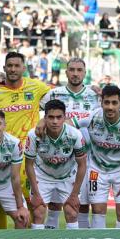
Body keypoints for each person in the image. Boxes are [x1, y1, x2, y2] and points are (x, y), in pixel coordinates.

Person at [0, 52, 52, 228]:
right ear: (4, 68)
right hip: (0, 156)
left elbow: (60, 100)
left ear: (24, 68)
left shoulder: (37, 86)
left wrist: (44, 119)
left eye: (17, 66)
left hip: (28, 157)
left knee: (34, 205)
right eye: (10, 66)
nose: (13, 69)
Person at [39, 57, 100, 228]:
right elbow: (36, 110)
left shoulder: (95, 95)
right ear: (66, 72)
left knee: (82, 204)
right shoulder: (54, 93)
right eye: (71, 70)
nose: (75, 73)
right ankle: (52, 237)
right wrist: (42, 120)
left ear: (85, 73)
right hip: (60, 157)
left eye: (79, 70)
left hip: (86, 157)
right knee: (54, 204)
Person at [75, 85, 120, 229]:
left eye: (114, 103)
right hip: (96, 169)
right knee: (98, 210)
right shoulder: (93, 116)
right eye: (107, 102)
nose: (110, 107)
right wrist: (43, 122)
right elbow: (69, 122)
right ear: (101, 103)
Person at [24, 99, 87, 229]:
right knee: (38, 212)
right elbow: (29, 165)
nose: (55, 121)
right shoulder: (33, 135)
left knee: (72, 211)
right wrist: (35, 193)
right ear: (45, 118)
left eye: (59, 117)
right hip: (43, 176)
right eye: (51, 117)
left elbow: (82, 165)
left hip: (67, 176)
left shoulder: (74, 134)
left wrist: (74, 194)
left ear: (64, 118)